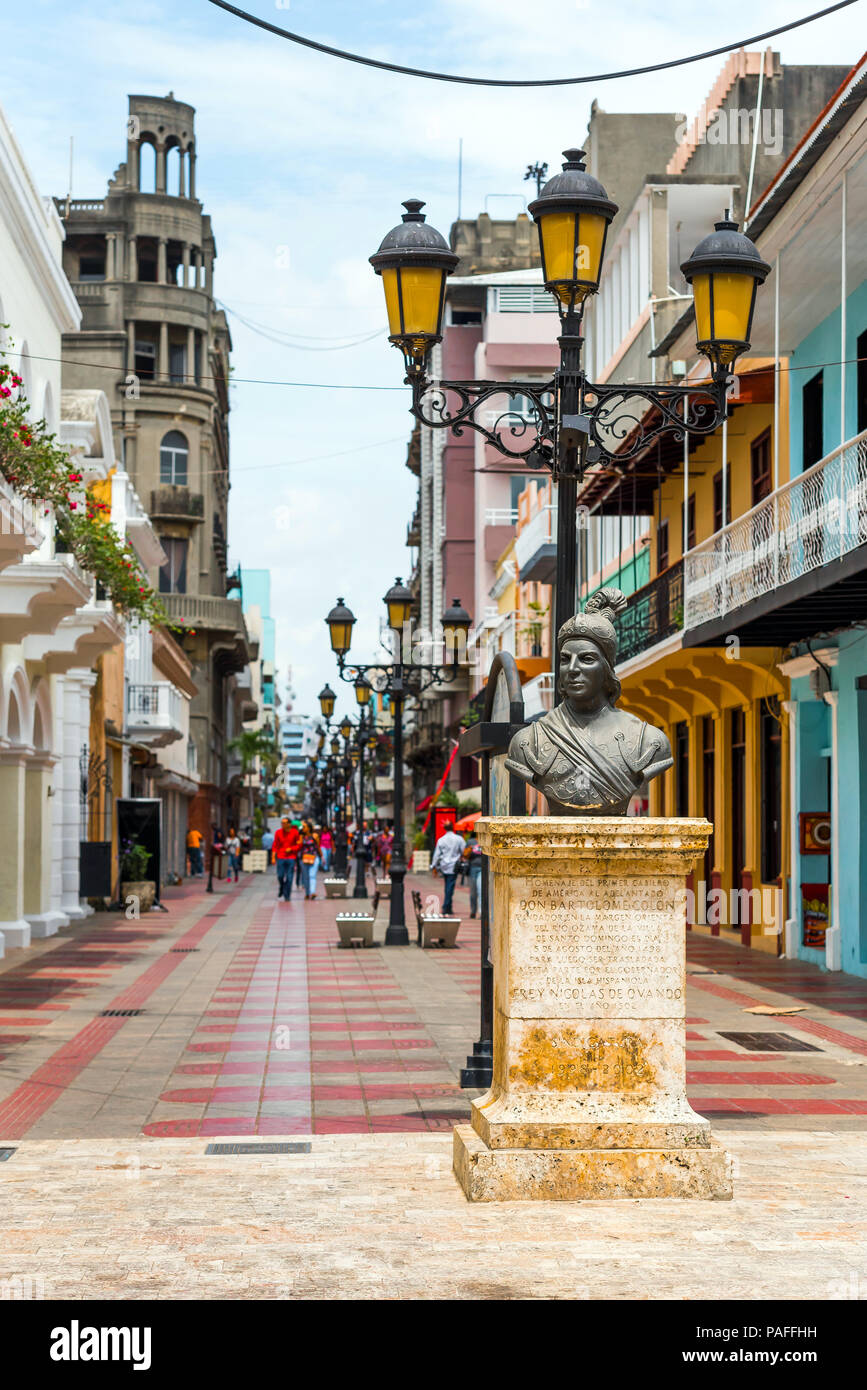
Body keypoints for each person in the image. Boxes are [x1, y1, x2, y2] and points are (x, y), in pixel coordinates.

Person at [431, 820, 465, 915]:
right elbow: (463, 850)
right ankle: (446, 906)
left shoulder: (441, 840)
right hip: (454, 865)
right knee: (450, 886)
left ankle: (448, 906)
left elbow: (436, 854)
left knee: (448, 885)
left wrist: (433, 866)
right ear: (453, 827)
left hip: (444, 865)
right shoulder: (459, 839)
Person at [272, 816, 302, 901]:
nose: (282, 825)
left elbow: (299, 845)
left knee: (289, 877)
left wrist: (292, 849)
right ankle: (282, 887)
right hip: (281, 857)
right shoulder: (278, 832)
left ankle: (287, 895)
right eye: (282, 823)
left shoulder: (295, 832)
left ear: (289, 824)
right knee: (280, 875)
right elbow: (275, 845)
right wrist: (273, 857)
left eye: (284, 823)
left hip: (291, 858)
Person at [463, 831, 483, 918]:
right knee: (473, 892)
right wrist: (469, 850)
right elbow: (464, 855)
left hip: (482, 869)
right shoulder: (471, 841)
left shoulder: (486, 841)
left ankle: (481, 912)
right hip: (472, 869)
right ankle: (473, 911)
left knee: (480, 890)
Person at [299, 821, 321, 899]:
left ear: (309, 828)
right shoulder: (301, 836)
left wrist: (322, 857)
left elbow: (318, 847)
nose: (303, 828)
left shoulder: (315, 836)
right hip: (304, 858)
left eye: (304, 826)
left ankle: (312, 892)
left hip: (314, 857)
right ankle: (307, 893)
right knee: (305, 877)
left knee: (312, 875)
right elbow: (299, 846)